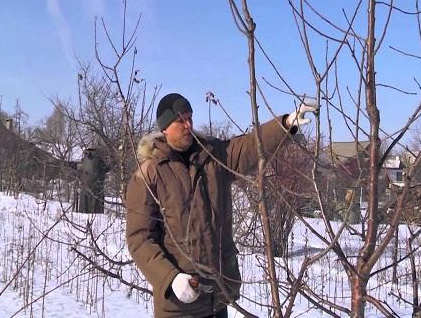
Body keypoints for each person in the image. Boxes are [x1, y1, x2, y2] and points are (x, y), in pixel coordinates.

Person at [124, 93, 317, 318]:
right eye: (180, 121)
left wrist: (284, 125)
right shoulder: (149, 173)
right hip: (179, 302)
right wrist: (170, 278)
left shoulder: (213, 156)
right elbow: (139, 239)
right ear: (165, 127)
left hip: (218, 296)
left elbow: (247, 147)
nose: (188, 125)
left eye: (190, 118)